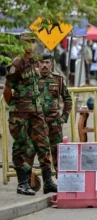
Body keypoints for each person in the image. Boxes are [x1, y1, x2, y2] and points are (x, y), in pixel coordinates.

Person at [5, 33, 57, 195]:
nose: (30, 45)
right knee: (22, 146)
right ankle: (22, 183)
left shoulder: (35, 61)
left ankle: (48, 182)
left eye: (32, 42)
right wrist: (16, 107)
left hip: (36, 111)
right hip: (20, 113)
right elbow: (8, 89)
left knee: (43, 143)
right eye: (26, 42)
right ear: (21, 44)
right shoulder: (17, 63)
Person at [26, 53, 72, 181]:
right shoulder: (32, 80)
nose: (44, 65)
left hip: (54, 123)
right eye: (42, 62)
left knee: (58, 152)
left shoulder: (58, 80)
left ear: (51, 64)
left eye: (47, 62)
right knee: (31, 151)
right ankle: (28, 180)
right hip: (36, 124)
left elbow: (68, 99)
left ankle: (62, 180)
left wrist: (64, 117)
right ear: (37, 64)